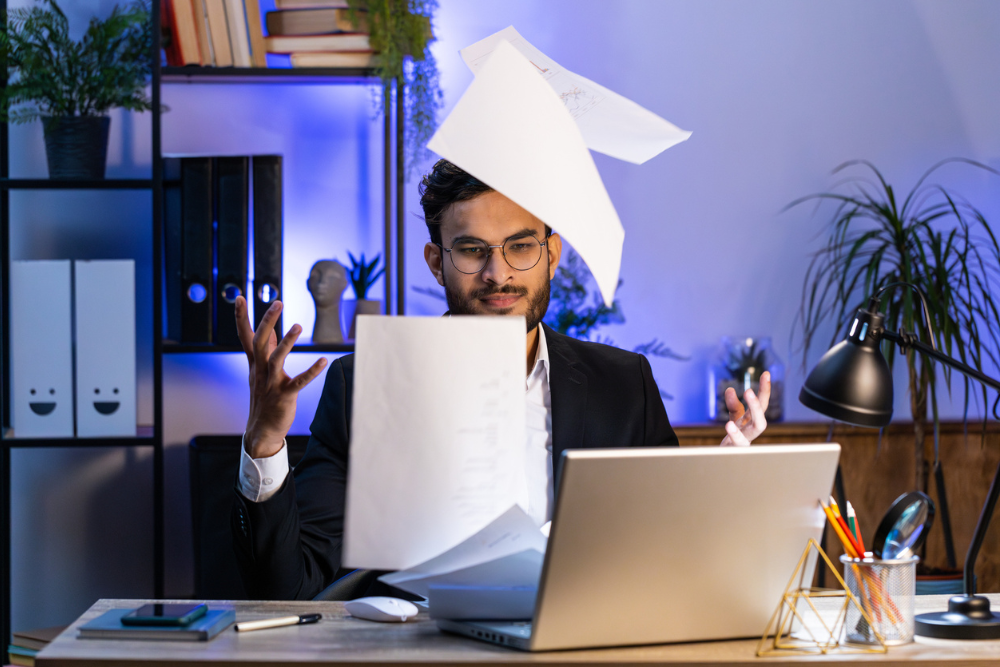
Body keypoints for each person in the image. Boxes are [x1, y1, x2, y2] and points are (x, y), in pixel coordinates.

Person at [231, 159, 770, 600]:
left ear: (551, 255)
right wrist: (265, 442)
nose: (499, 274)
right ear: (436, 263)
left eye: (520, 246)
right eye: (471, 250)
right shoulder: (366, 383)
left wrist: (717, 481)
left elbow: (671, 566)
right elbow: (292, 589)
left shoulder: (624, 383)